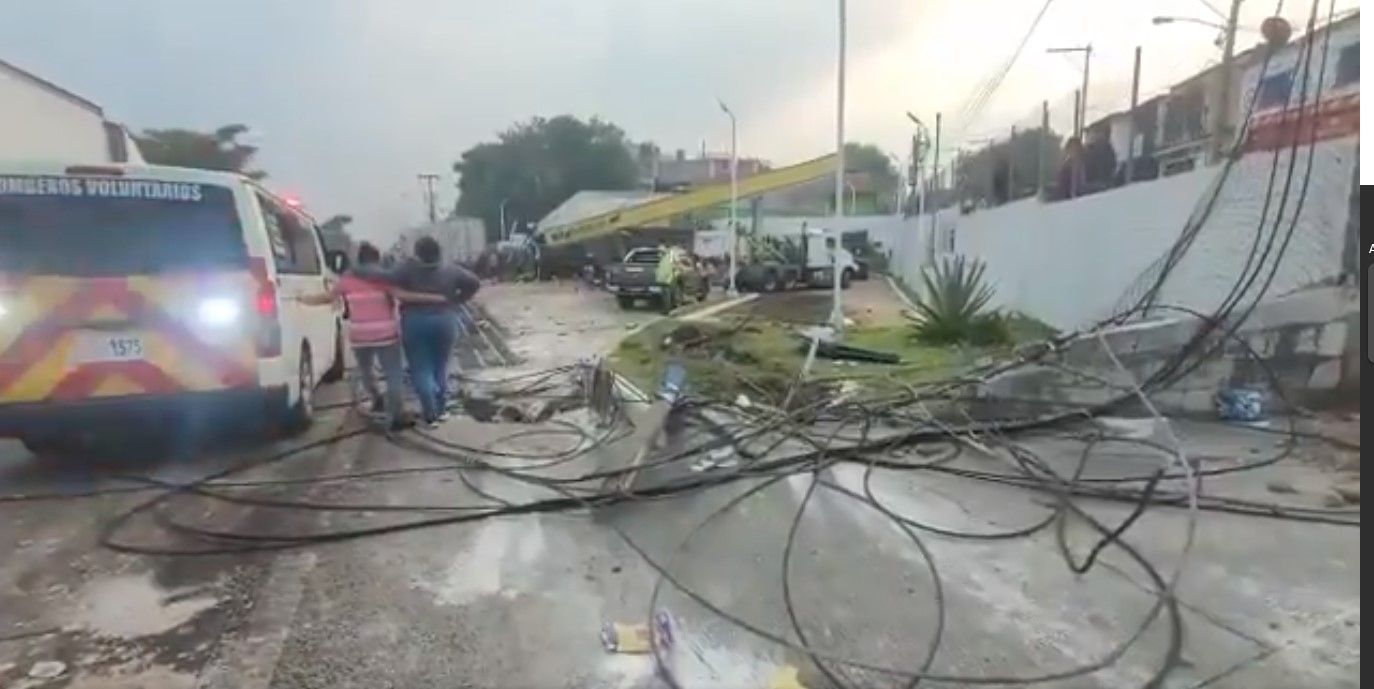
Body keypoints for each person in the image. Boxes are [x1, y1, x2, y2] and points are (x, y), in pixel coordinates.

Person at [296, 242, 443, 432]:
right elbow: (404, 296)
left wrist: (303, 299)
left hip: (360, 335)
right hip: (386, 334)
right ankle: (396, 414)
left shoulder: (347, 278)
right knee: (393, 375)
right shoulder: (384, 278)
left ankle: (377, 400)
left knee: (366, 372)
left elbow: (327, 297)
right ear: (377, 259)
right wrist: (436, 298)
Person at [355, 236, 481, 428]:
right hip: (445, 321)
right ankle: (440, 408)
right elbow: (474, 282)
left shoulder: (407, 268)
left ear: (417, 253)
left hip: (415, 322)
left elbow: (385, 277)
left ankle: (430, 412)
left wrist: (361, 270)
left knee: (421, 368)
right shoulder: (450, 269)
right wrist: (457, 299)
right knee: (441, 366)